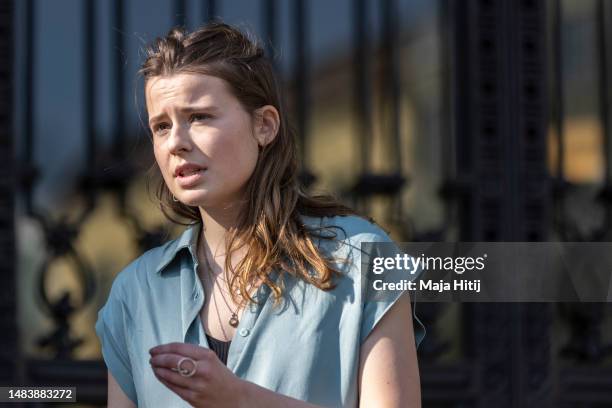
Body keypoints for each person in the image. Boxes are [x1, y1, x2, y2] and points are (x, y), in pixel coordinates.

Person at [95, 21, 425, 408]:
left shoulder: (363, 260)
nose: (177, 143)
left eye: (199, 117)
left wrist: (239, 399)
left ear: (264, 125)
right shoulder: (135, 293)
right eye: (161, 126)